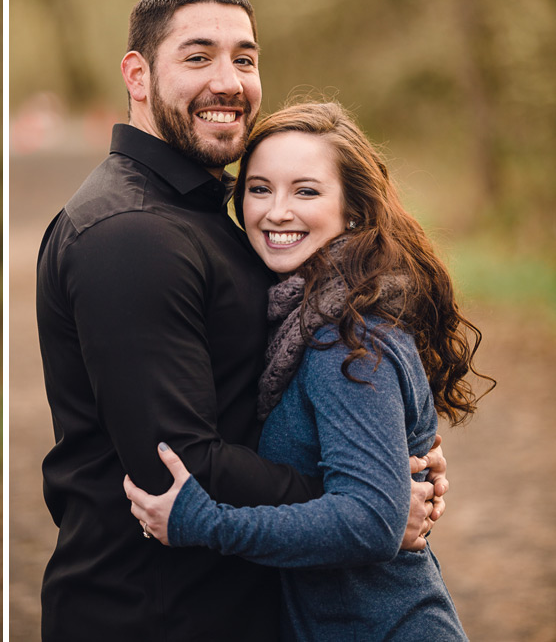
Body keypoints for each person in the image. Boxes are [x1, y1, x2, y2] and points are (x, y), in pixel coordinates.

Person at [35, 0, 447, 640]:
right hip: (152, 613)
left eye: (245, 58)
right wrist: (368, 503)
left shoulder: (206, 212)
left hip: (231, 603)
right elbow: (180, 459)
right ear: (137, 76)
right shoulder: (132, 233)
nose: (228, 80)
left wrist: (384, 456)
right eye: (198, 57)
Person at [125, 100, 489, 639]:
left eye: (307, 191)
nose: (276, 211)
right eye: (260, 188)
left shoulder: (345, 338)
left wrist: (204, 523)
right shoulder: (300, 316)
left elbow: (369, 522)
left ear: (354, 211)